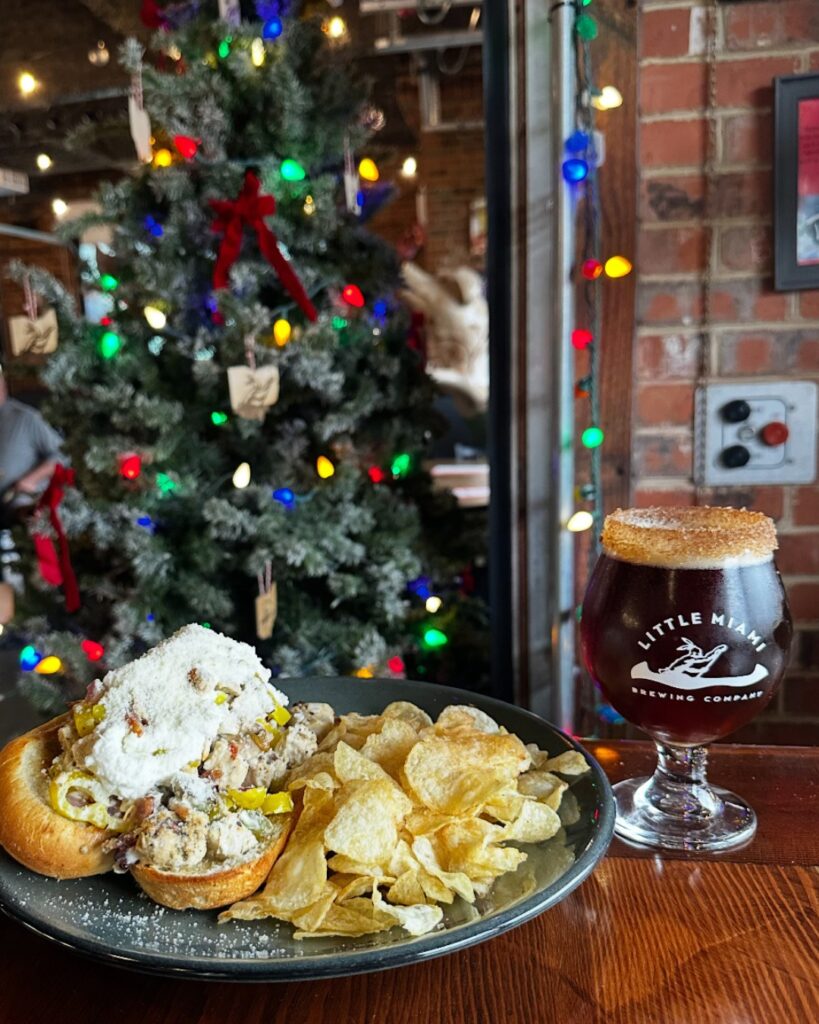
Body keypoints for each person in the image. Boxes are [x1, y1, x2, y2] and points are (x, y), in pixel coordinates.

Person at [0, 365, 63, 521]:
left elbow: (62, 454)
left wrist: (31, 479)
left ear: (3, 385)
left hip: (20, 503)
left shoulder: (26, 418)